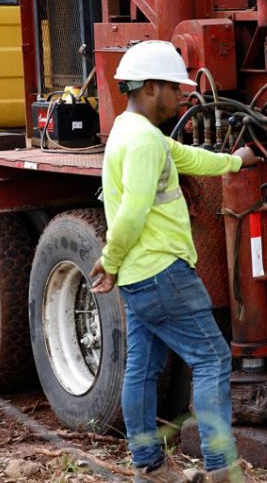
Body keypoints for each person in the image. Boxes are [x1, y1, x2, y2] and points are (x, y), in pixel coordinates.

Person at [90, 40, 257, 482]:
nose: (183, 97)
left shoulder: (131, 133)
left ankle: (149, 466)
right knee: (213, 359)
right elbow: (131, 213)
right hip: (163, 272)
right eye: (174, 88)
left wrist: (234, 162)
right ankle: (222, 468)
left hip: (140, 278)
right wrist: (108, 260)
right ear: (149, 88)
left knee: (141, 370)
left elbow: (188, 158)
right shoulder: (145, 141)